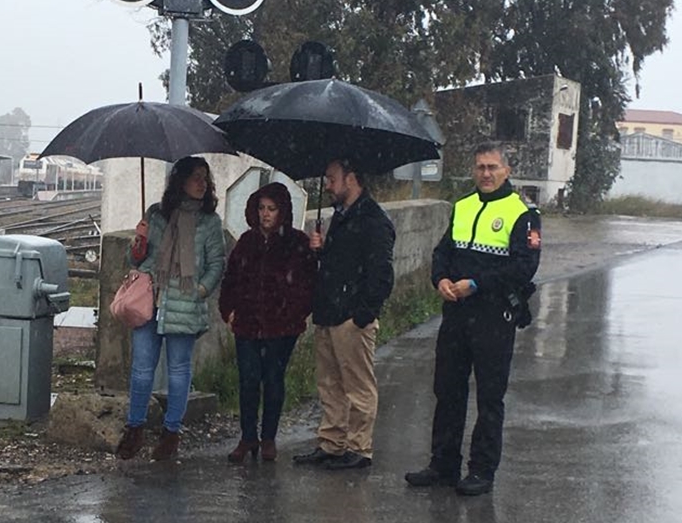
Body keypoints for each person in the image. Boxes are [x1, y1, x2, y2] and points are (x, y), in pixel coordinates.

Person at [405, 141, 541, 496]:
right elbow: (443, 251)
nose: (486, 173)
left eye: (492, 167)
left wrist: (477, 284)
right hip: (456, 314)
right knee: (447, 390)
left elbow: (524, 267)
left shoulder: (523, 213)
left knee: (490, 397)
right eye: (480, 167)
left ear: (507, 171)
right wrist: (440, 279)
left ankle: (481, 470)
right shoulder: (463, 206)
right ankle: (443, 464)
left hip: (494, 314)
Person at [115, 156, 227, 461]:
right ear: (180, 181)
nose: (202, 184)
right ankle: (134, 429)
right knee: (141, 370)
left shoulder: (209, 221)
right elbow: (136, 260)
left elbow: (217, 263)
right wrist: (138, 241)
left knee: (179, 371)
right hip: (150, 300)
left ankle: (171, 434)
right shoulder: (156, 214)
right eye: (196, 177)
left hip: (185, 302)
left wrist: (200, 291)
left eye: (205, 178)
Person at [294, 158, 395, 470]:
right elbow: (342, 261)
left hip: (350, 316)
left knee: (357, 386)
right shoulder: (342, 215)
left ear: (351, 179)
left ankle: (358, 447)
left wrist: (362, 315)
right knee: (330, 384)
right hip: (328, 310)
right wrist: (321, 249)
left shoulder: (373, 220)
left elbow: (381, 274)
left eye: (332, 178)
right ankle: (332, 442)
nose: (328, 185)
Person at [218, 182, 316, 463]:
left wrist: (295, 314)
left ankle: (269, 437)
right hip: (247, 324)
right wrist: (229, 311)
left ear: (282, 211)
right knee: (248, 380)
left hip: (282, 326)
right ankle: (248, 436)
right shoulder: (246, 242)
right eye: (261, 208)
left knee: (273, 379)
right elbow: (231, 279)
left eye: (271, 209)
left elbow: (309, 283)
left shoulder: (296, 243)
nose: (265, 214)